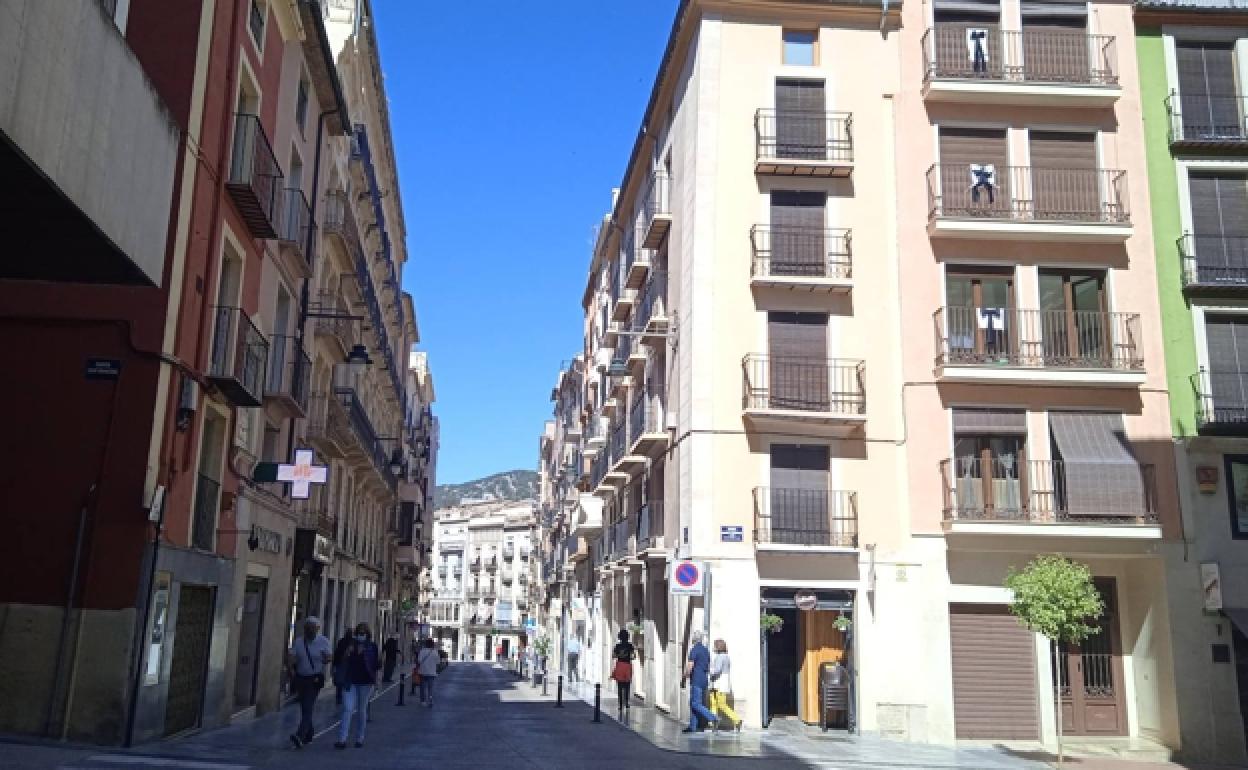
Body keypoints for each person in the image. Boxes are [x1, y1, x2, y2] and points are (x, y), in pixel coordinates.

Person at [287, 616, 332, 749]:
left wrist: (326, 658)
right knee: (305, 707)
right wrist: (290, 669)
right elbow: (292, 656)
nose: (310, 630)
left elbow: (329, 657)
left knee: (308, 706)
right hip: (301, 678)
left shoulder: (323, 641)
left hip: (314, 679)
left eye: (313, 628)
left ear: (317, 629)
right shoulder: (299, 642)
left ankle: (300, 735)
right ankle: (309, 733)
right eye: (308, 627)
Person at [335, 623, 379, 749]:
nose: (361, 635)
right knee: (347, 709)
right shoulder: (350, 645)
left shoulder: (372, 647)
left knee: (361, 710)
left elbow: (376, 665)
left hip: (365, 682)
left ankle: (360, 738)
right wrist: (346, 653)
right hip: (350, 682)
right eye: (359, 633)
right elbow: (339, 660)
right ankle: (342, 739)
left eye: (363, 633)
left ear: (367, 635)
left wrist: (376, 681)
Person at [681, 630, 718, 734]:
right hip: (704, 679)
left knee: (695, 703)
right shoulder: (706, 650)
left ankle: (713, 718)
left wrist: (685, 676)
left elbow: (690, 666)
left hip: (696, 680)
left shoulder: (694, 650)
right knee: (694, 703)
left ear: (694, 639)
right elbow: (708, 665)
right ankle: (693, 726)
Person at [709, 638, 742, 732]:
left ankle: (737, 720)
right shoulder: (726, 657)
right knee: (714, 703)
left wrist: (710, 671)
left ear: (718, 647)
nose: (713, 647)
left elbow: (717, 670)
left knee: (720, 704)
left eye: (715, 645)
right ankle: (713, 722)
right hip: (720, 683)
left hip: (719, 684)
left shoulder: (720, 657)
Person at [610, 629, 636, 718]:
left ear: (619, 637)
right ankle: (627, 702)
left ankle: (620, 705)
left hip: (620, 666)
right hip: (627, 666)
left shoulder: (617, 646)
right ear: (627, 637)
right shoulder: (630, 646)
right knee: (627, 685)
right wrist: (628, 656)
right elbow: (633, 656)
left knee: (620, 686)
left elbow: (613, 656)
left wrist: (619, 655)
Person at [416, 638, 440, 707]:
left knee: (422, 687)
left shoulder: (422, 651)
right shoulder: (435, 652)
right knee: (430, 688)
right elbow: (438, 662)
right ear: (432, 644)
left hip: (423, 672)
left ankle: (423, 701)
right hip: (432, 672)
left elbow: (419, 661)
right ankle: (430, 700)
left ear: (426, 644)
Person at [332, 628, 353, 705]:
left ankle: (339, 697)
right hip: (344, 664)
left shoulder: (342, 641)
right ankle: (342, 697)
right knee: (344, 681)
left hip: (342, 664)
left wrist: (335, 665)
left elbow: (337, 652)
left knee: (340, 682)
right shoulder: (351, 642)